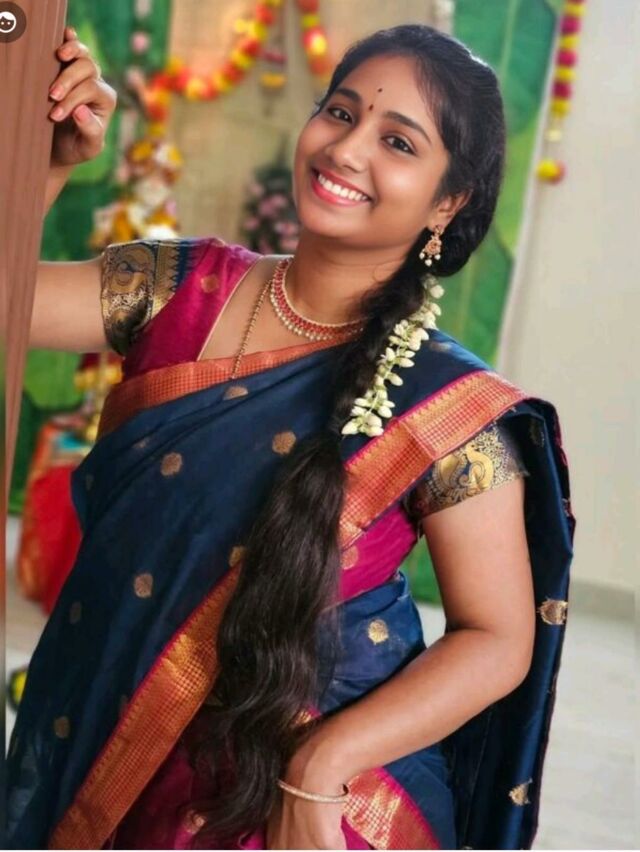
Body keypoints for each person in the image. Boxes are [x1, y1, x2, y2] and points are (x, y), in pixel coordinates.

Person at [6, 22, 575, 851]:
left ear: (447, 203)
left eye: (397, 142)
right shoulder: (177, 290)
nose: (347, 149)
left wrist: (323, 763)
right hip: (101, 723)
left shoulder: (450, 408)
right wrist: (45, 165)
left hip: (292, 803)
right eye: (339, 112)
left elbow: (498, 638)